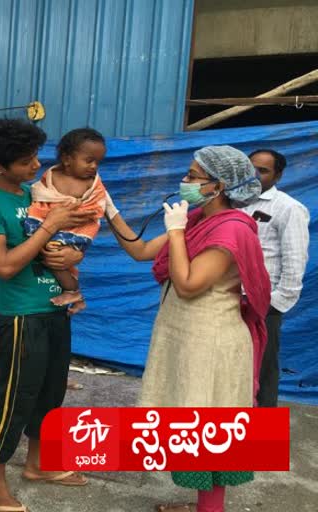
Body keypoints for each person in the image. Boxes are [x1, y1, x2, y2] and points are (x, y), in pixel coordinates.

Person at [106, 145, 270, 512]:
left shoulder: (231, 229)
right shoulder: (198, 218)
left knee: (207, 435)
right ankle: (203, 506)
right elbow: (142, 250)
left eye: (194, 176)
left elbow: (188, 284)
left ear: (220, 185)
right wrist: (107, 208)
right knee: (194, 428)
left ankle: (210, 508)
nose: (185, 181)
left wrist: (177, 232)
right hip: (188, 339)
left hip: (210, 345)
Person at [0, 119, 96, 512]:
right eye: (25, 161)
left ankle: (38, 465)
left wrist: (73, 255)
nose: (36, 165)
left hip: (56, 308)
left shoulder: (33, 193)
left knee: (50, 392)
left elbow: (68, 240)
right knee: (13, 399)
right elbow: (3, 266)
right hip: (22, 316)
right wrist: (49, 226)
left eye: (37, 155)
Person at [243, 149, 310, 407]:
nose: (254, 175)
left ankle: (262, 440)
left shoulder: (289, 208)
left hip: (262, 306)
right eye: (251, 168)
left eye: (263, 170)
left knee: (263, 371)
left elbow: (294, 263)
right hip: (227, 299)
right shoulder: (235, 203)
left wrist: (272, 305)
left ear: (278, 175)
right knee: (230, 370)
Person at [23, 128, 108, 310]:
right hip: (50, 224)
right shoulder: (51, 176)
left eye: (98, 162)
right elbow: (41, 194)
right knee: (41, 245)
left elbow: (96, 206)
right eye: (89, 160)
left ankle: (72, 290)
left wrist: (78, 213)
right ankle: (74, 292)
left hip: (76, 230)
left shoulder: (91, 183)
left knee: (53, 254)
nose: (94, 167)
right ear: (67, 159)